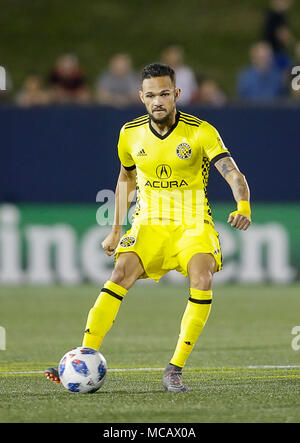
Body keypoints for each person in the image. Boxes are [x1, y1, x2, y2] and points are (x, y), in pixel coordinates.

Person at [45, 63, 251, 392]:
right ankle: (84, 354)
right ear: (141, 96)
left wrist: (243, 206)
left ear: (176, 94)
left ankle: (174, 369)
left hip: (192, 225)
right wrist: (115, 229)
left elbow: (231, 171)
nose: (158, 101)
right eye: (151, 95)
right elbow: (126, 178)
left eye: (165, 94)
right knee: (119, 275)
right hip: (149, 223)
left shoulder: (201, 131)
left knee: (203, 277)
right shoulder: (130, 133)